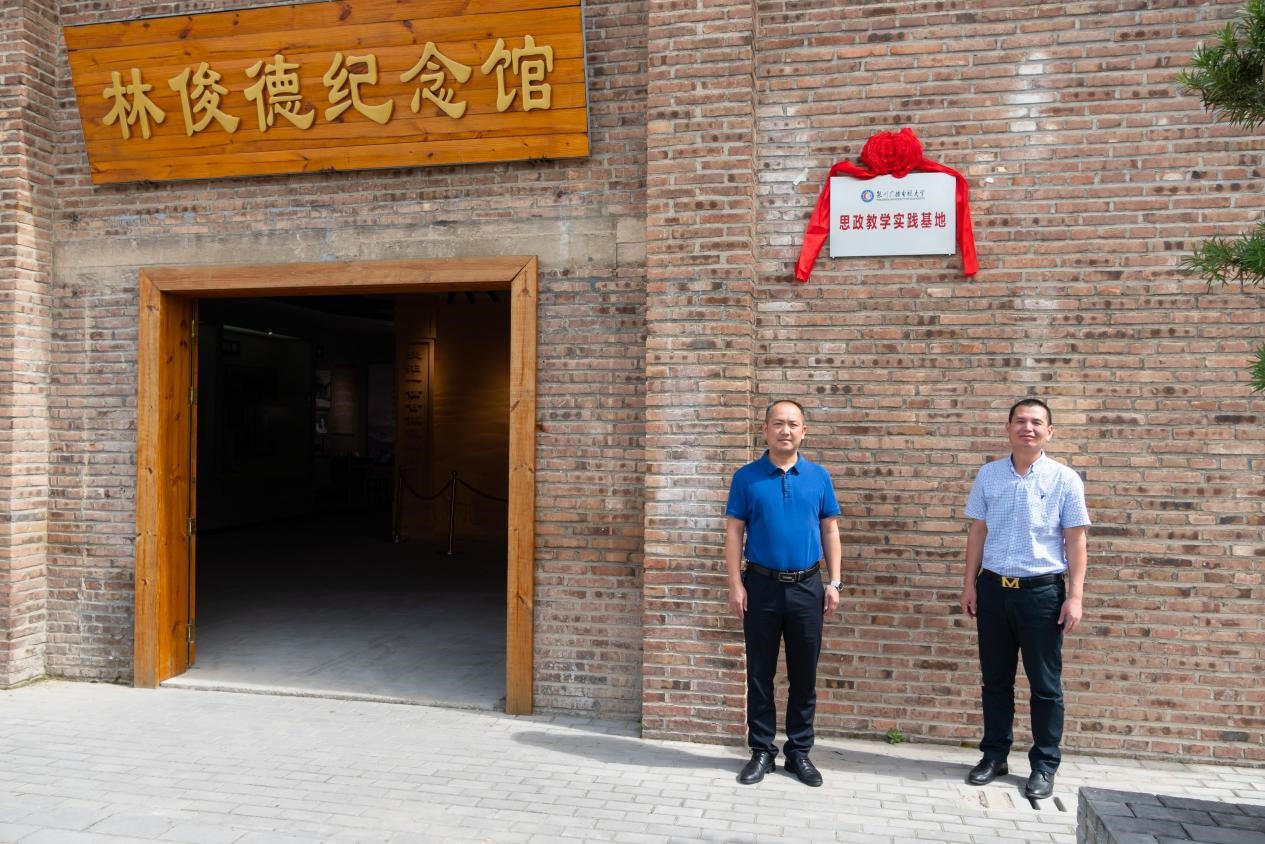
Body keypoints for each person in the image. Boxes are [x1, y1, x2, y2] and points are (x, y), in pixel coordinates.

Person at [959, 398, 1090, 800]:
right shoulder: (989, 475)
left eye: (1036, 422)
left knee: (1045, 685)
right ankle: (994, 755)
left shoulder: (1065, 479)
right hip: (994, 590)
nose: (1027, 428)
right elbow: (978, 530)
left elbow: (1075, 540)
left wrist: (1075, 596)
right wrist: (969, 584)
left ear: (1049, 431)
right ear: (1008, 428)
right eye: (1020, 421)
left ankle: (1044, 765)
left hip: (1042, 595)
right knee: (995, 680)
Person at [724, 399, 842, 787]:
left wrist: (835, 581)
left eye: (793, 424)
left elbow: (829, 529)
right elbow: (734, 532)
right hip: (761, 586)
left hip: (808, 586)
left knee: (804, 674)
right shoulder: (747, 477)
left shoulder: (819, 477)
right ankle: (761, 751)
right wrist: (735, 584)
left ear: (803, 431)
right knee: (760, 672)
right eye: (778, 423)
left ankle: (798, 753)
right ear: (765, 430)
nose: (785, 430)